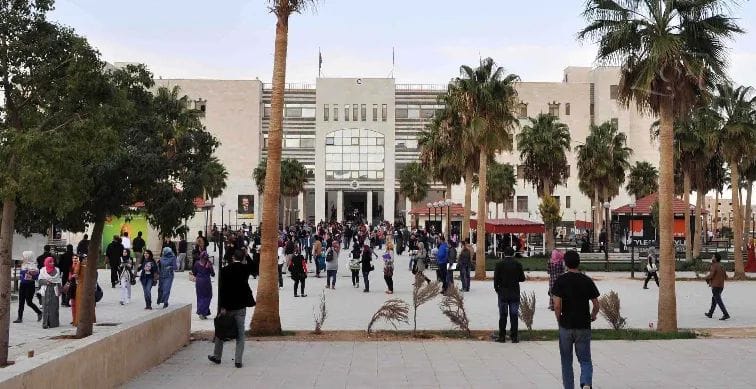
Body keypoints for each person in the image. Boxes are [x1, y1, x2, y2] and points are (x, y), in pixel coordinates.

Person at [551, 250, 601, 389]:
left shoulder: (560, 280)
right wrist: (593, 315)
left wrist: (558, 319)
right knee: (585, 359)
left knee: (566, 361)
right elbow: (596, 304)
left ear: (565, 263)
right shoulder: (586, 280)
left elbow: (557, 305)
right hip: (583, 325)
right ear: (579, 262)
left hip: (566, 325)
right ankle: (586, 382)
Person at [208, 250, 255, 369]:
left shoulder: (224, 270)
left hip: (227, 306)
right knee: (240, 333)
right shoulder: (245, 269)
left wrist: (222, 307)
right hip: (241, 306)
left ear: (233, 257)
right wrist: (248, 256)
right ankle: (238, 360)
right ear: (243, 258)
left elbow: (222, 290)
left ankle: (217, 356)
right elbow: (254, 267)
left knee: (221, 330)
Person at [493, 247, 525, 343]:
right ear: (513, 254)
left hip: (503, 293)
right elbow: (522, 278)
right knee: (514, 315)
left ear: (504, 253)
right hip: (514, 292)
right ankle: (514, 337)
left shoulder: (499, 264)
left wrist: (497, 289)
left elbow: (496, 279)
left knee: (503, 315)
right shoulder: (517, 264)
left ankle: (502, 336)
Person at [14, 251, 42, 323]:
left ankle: (39, 312)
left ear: (28, 257)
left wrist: (32, 274)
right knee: (21, 302)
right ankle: (19, 318)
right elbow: (22, 275)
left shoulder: (34, 266)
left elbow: (36, 277)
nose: (22, 257)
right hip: (22, 285)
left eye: (24, 256)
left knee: (29, 302)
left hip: (30, 285)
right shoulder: (23, 265)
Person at [704, 253, 730, 320]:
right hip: (721, 286)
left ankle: (726, 314)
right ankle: (710, 313)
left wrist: (705, 277)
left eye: (713, 256)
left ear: (715, 258)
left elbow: (711, 275)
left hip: (715, 286)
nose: (712, 257)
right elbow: (726, 277)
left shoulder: (714, 265)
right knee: (714, 299)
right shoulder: (722, 266)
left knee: (718, 300)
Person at [38, 257, 62, 329]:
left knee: (54, 307)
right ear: (46, 263)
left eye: (53, 262)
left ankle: (53, 323)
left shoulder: (57, 270)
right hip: (45, 290)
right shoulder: (42, 270)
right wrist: (46, 282)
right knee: (45, 307)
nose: (52, 263)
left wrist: (60, 291)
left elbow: (58, 281)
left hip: (54, 290)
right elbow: (40, 281)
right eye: (50, 262)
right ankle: (45, 323)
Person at [192, 251, 215, 319]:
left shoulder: (196, 263)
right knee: (208, 296)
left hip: (198, 281)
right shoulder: (209, 263)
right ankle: (203, 312)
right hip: (206, 281)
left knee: (200, 296)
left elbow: (194, 272)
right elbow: (213, 274)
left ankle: (201, 311)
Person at [68, 254, 81, 325]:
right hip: (73, 287)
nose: (75, 260)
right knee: (73, 304)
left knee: (78, 303)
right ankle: (74, 319)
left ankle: (78, 319)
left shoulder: (81, 267)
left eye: (76, 258)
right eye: (73, 258)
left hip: (79, 286)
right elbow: (69, 278)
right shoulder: (71, 267)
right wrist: (73, 276)